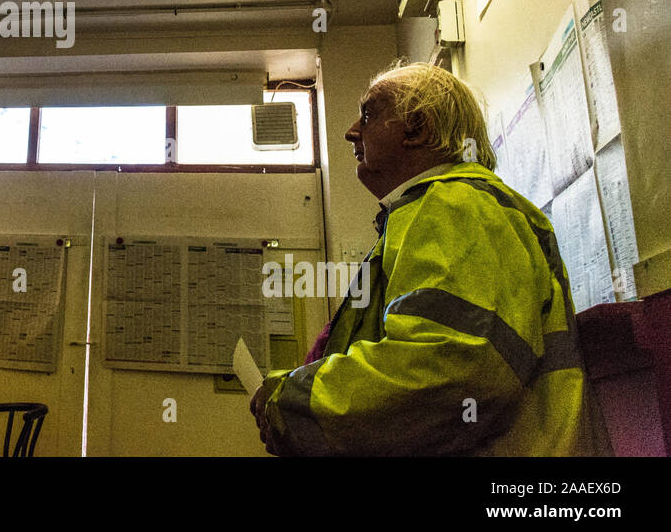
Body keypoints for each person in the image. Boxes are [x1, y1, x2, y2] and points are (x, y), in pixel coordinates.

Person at [250, 61, 610, 456]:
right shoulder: (443, 209)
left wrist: (293, 401)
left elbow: (448, 366)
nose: (351, 131)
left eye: (369, 114)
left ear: (417, 128)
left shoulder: (457, 206)